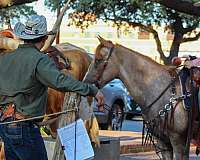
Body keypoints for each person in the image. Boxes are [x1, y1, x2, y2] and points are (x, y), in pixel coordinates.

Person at [0, 15, 104, 160]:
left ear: (24, 37)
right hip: (24, 127)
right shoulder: (39, 59)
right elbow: (61, 82)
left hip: (5, 124)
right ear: (43, 39)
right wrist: (93, 90)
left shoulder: (5, 58)